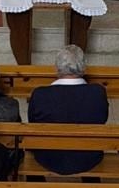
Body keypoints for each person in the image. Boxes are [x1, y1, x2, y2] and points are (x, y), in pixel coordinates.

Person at [26, 45, 109, 174]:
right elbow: (102, 119)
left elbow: (32, 123)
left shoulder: (40, 94)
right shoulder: (97, 92)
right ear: (83, 66)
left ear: (57, 67)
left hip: (48, 157)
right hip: (88, 157)